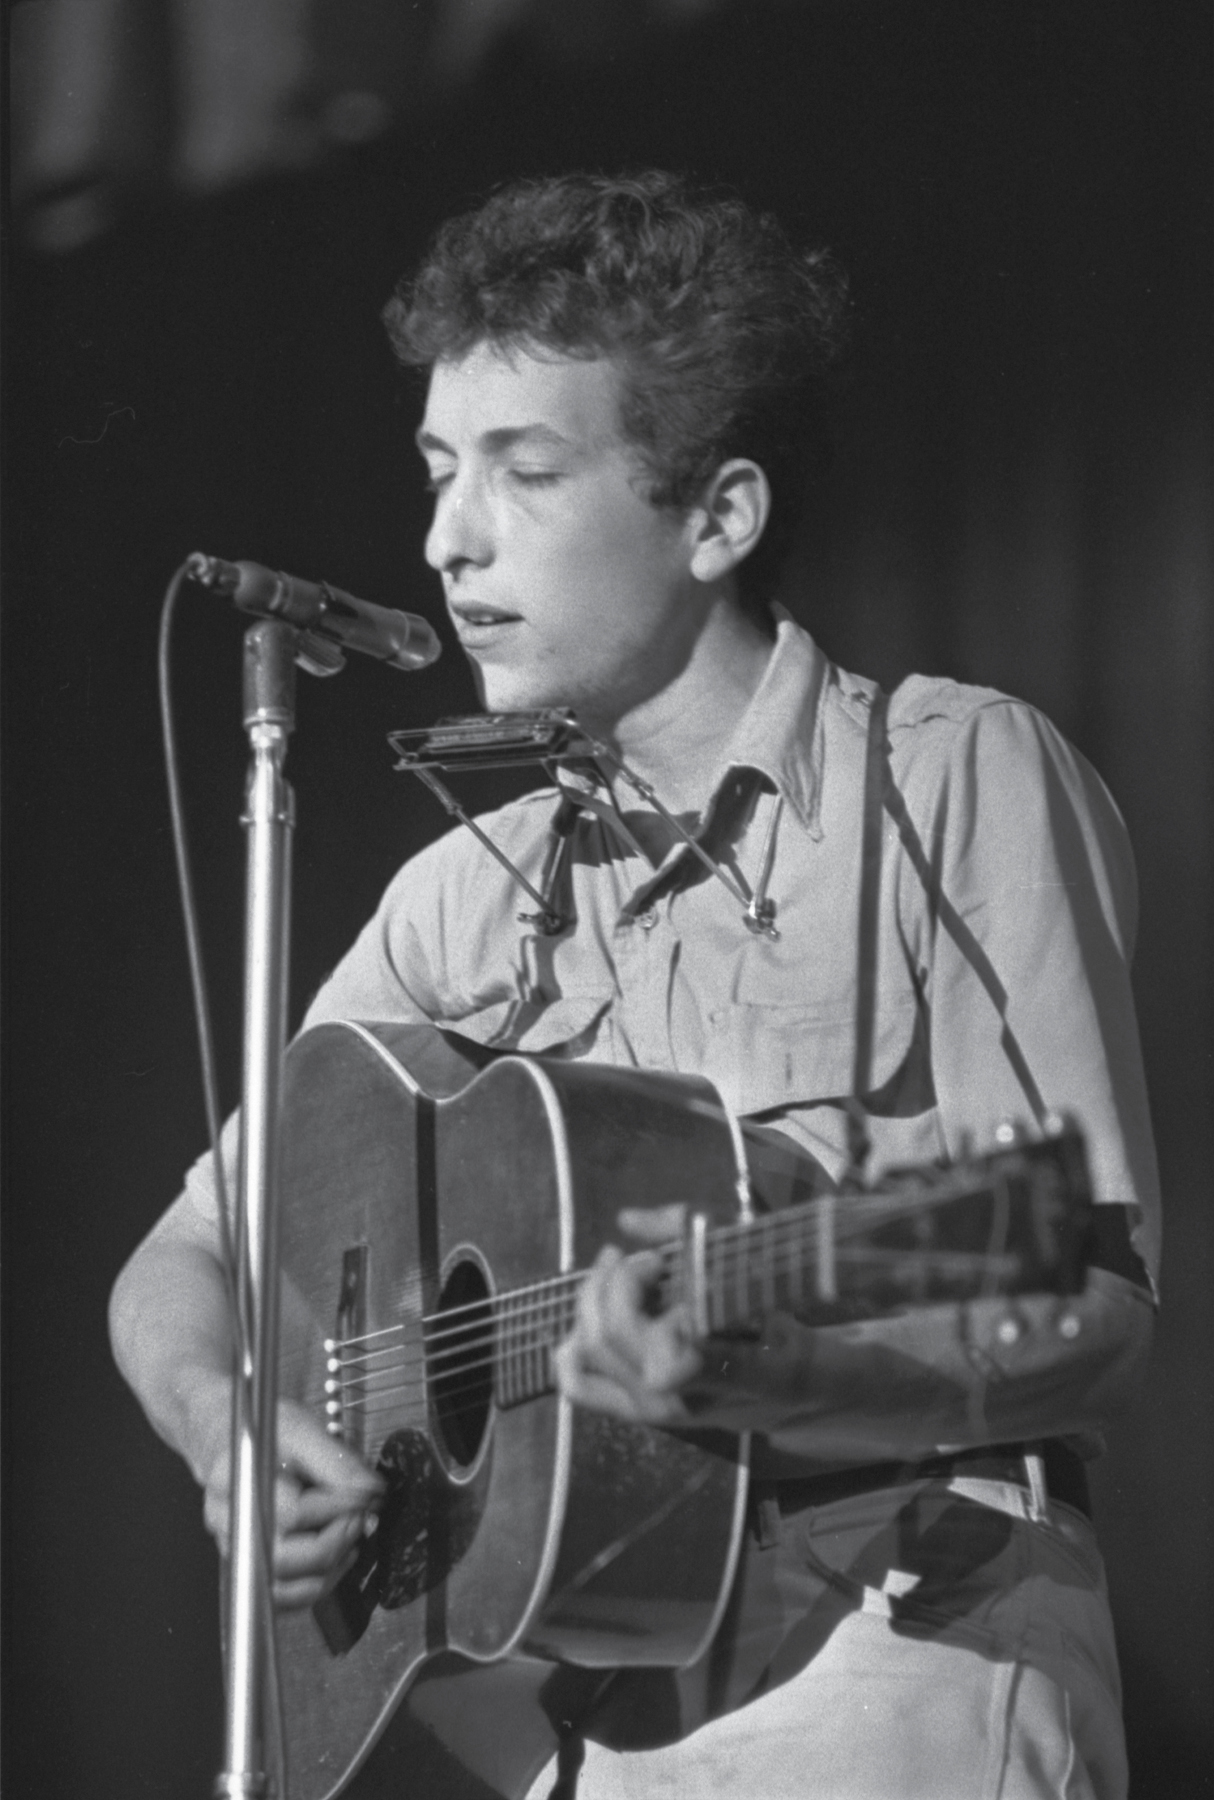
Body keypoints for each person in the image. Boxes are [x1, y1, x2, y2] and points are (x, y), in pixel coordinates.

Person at [110, 171, 1159, 1799]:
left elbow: (1088, 1290)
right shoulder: (467, 890)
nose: (445, 538)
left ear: (714, 516)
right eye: (440, 471)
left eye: (523, 473)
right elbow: (184, 1255)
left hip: (899, 1632)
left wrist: (794, 1372)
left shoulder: (944, 774)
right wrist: (227, 1432)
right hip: (572, 1700)